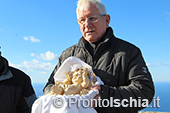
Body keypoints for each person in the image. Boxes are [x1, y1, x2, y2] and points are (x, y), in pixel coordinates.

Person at [43, 0, 155, 112]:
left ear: (106, 20)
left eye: (92, 18)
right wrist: (57, 93)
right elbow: (49, 86)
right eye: (82, 20)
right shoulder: (68, 55)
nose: (87, 24)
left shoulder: (129, 52)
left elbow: (144, 92)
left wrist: (103, 95)